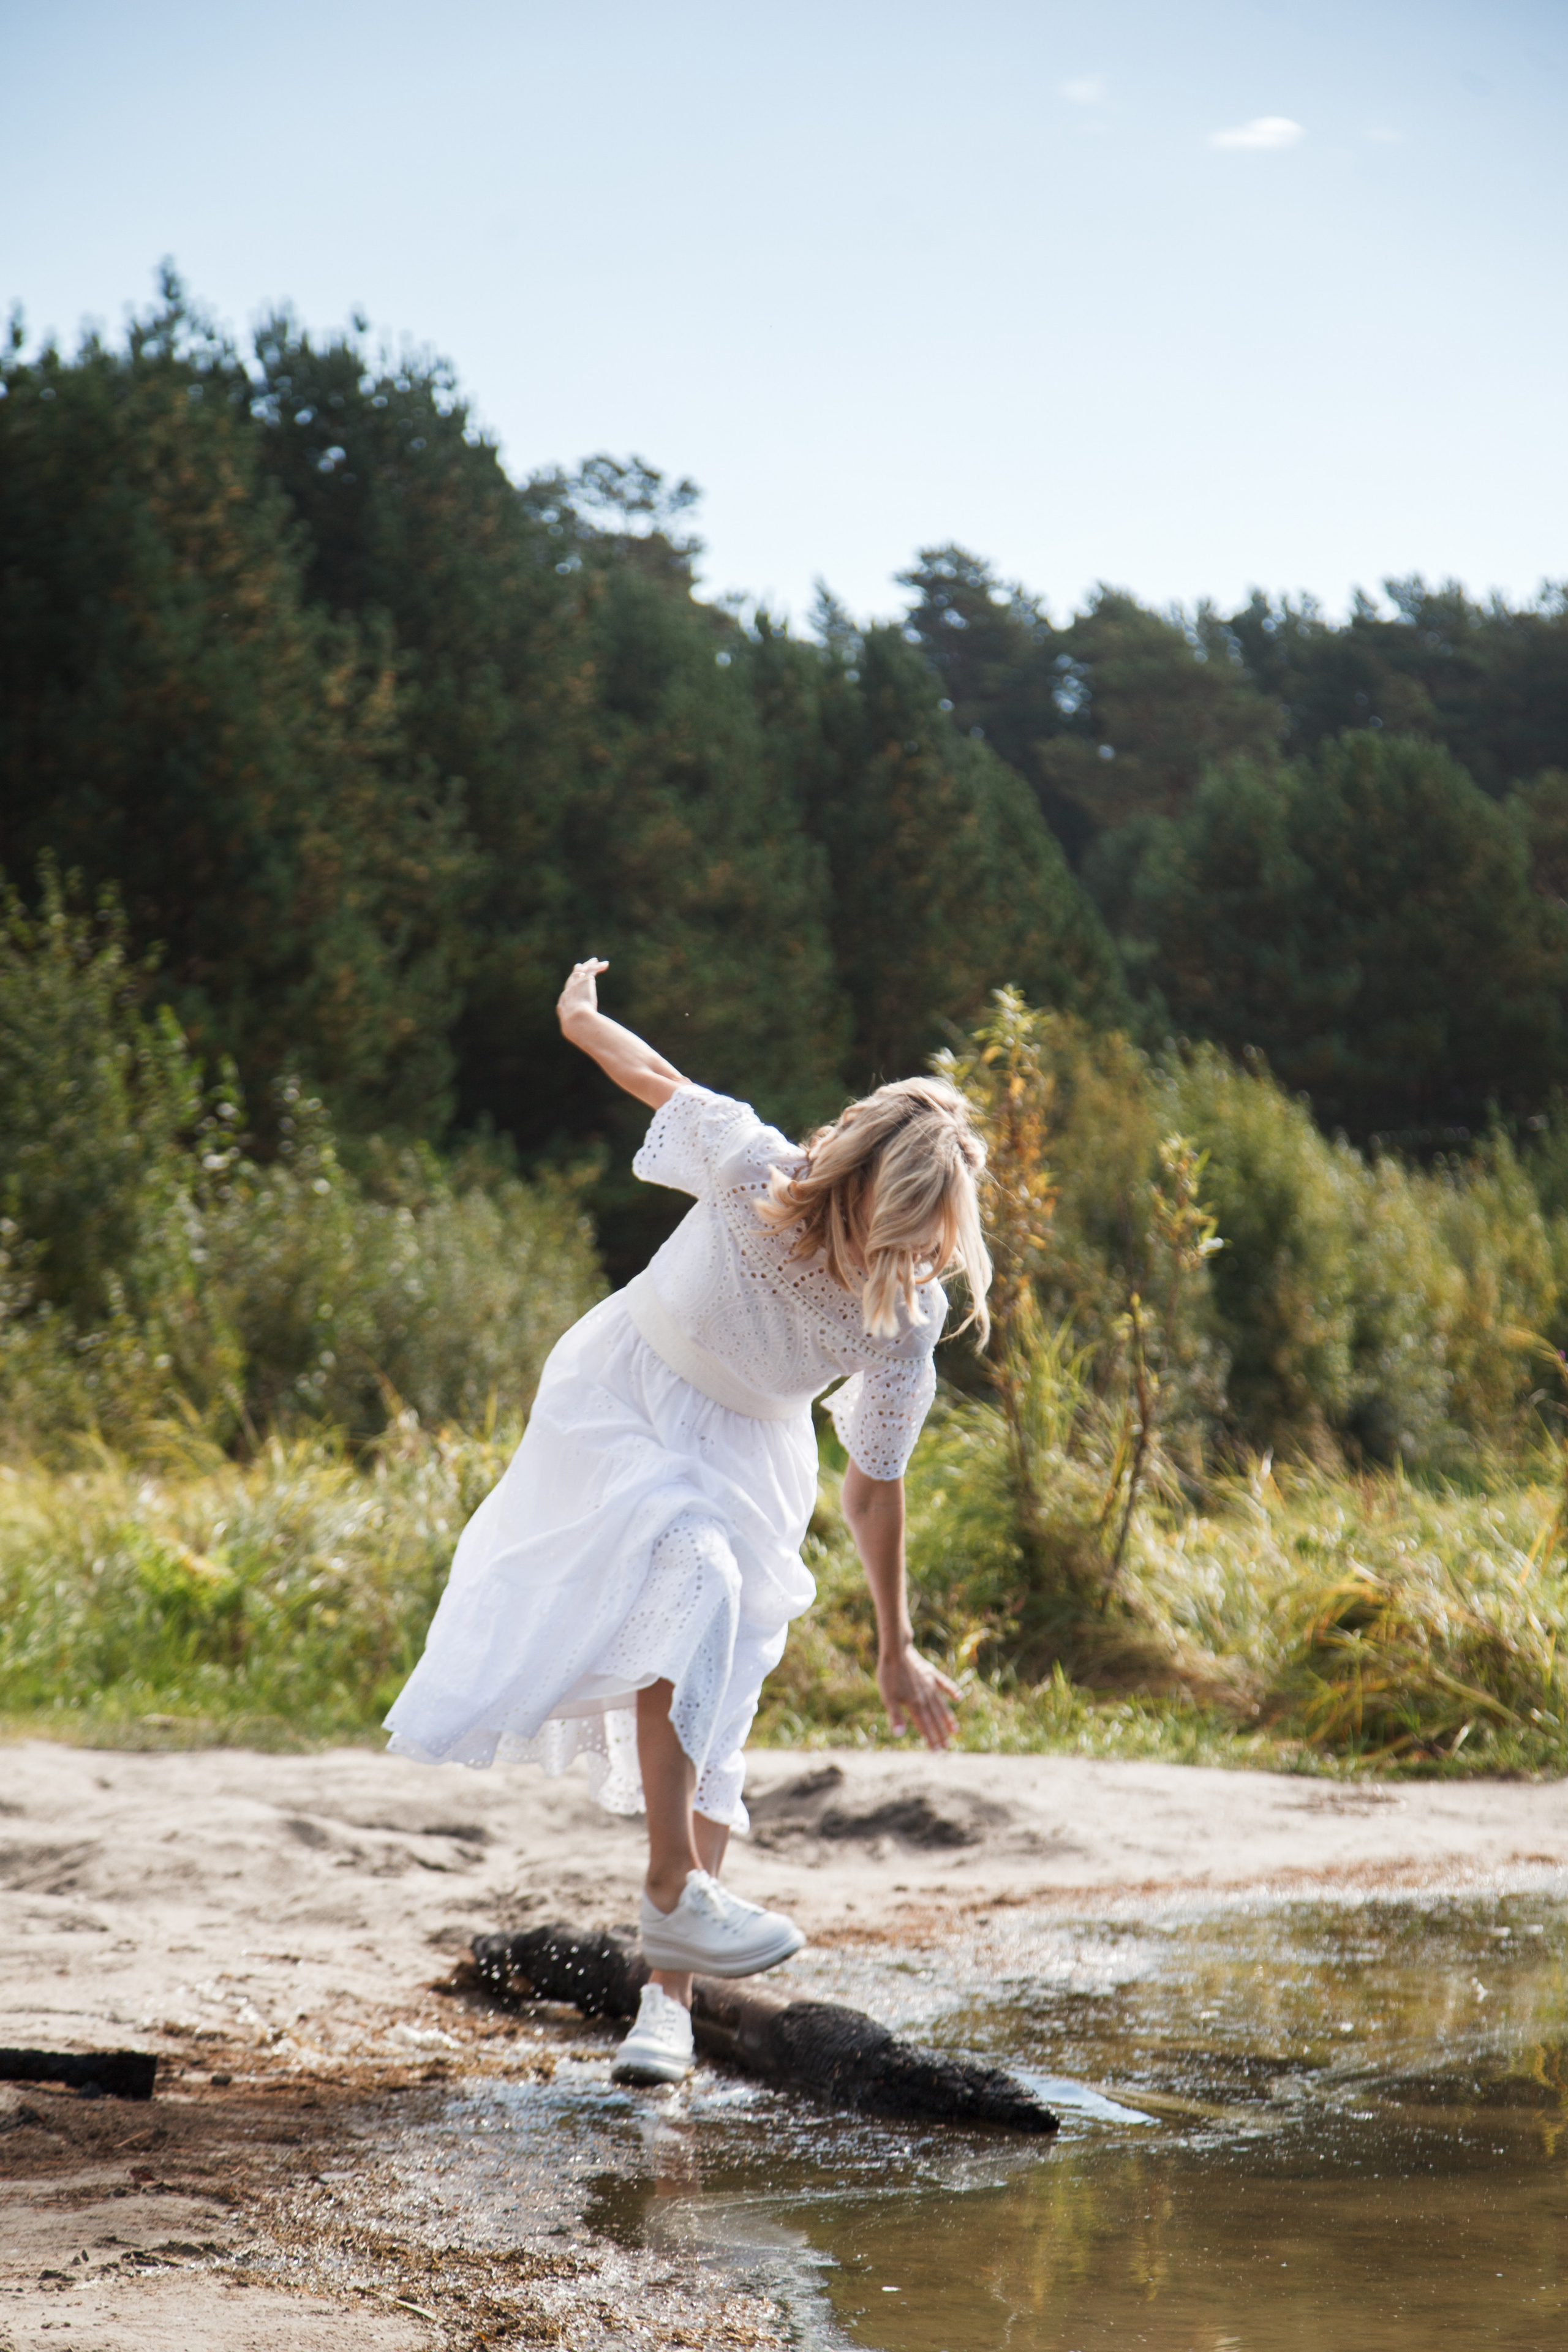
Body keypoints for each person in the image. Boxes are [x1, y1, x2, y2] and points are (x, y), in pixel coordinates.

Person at [384, 960, 992, 2085]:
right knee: (693, 1572)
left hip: (755, 1461)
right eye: (891, 1230)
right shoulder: (756, 1165)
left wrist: (896, 1641)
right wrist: (578, 1021)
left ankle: (665, 2006)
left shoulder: (904, 1320)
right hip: (627, 1396)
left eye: (924, 1246)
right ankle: (674, 1892)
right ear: (849, 1178)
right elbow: (654, 1075)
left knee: (715, 1704)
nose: (898, 1261)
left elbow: (873, 1484)